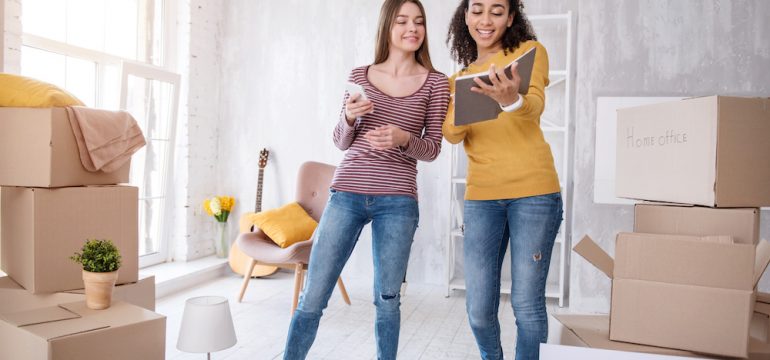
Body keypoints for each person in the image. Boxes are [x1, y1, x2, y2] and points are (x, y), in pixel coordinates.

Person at [283, 1, 449, 359]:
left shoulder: (436, 82)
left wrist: (403, 139)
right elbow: (341, 141)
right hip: (347, 193)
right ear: (388, 26)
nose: (412, 28)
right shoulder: (360, 75)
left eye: (419, 21)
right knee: (313, 294)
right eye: (403, 20)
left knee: (387, 299)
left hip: (398, 201)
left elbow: (433, 148)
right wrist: (348, 115)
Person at [443, 0, 563, 359]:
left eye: (497, 11)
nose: (485, 19)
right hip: (482, 198)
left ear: (511, 18)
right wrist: (471, 104)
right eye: (477, 9)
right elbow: (450, 133)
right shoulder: (457, 79)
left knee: (526, 306)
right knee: (479, 312)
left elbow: (536, 104)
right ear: (465, 17)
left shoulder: (531, 52)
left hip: (535, 194)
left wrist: (511, 100)